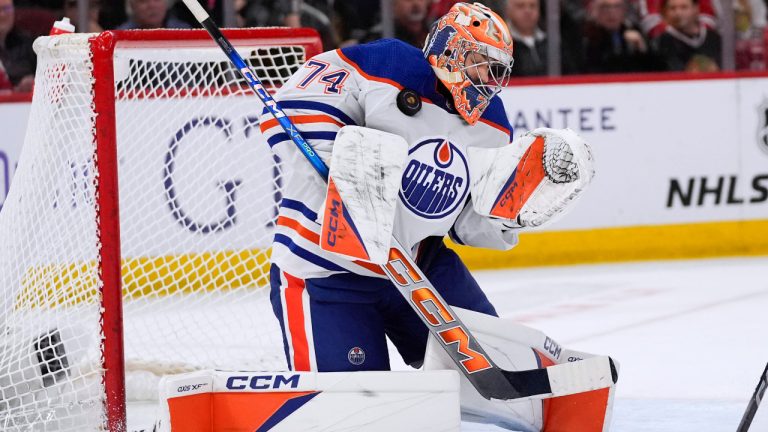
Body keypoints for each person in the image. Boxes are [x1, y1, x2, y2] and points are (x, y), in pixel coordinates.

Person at [260, 2, 518, 374]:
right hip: (327, 270)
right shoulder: (388, 64)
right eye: (481, 62)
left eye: (497, 70)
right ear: (450, 49)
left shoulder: (493, 124)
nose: (488, 79)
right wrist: (340, 159)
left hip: (415, 267)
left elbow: (464, 222)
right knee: (352, 404)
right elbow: (289, 105)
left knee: (496, 364)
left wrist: (510, 216)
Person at [582, 0, 659, 73]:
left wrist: (642, 49)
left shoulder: (635, 32)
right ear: (595, 11)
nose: (611, 12)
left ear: (624, 10)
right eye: (605, 7)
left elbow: (655, 68)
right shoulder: (587, 36)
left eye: (617, 6)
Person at [653, 0, 722, 71]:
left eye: (684, 7)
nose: (678, 13)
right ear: (665, 12)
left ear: (696, 9)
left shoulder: (716, 40)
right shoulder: (659, 45)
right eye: (672, 8)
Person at [362, 0, 431, 48]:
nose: (416, 3)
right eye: (408, 0)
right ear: (393, 5)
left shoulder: (434, 33)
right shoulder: (378, 38)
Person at [0, 0, 35, 92]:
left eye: (6, 9)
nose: (2, 15)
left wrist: (34, 81)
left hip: (24, 103)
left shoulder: (28, 43)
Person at [505, 0, 547, 76]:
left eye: (532, 6)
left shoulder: (552, 42)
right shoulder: (500, 45)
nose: (528, 11)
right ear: (508, 11)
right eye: (520, 6)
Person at [117, 0, 191, 30]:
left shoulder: (184, 30)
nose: (152, 5)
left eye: (157, 0)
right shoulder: (120, 36)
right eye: (143, 1)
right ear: (131, 6)